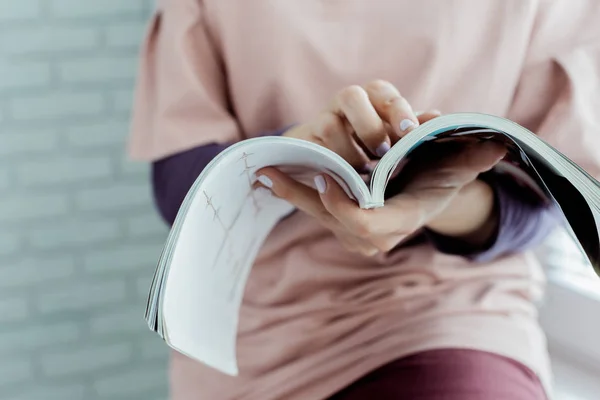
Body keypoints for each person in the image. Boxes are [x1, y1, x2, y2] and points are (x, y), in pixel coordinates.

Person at [128, 1, 600, 399]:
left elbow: (548, 202)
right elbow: (178, 190)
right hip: (247, 339)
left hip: (449, 314)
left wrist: (439, 202)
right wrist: (298, 150)